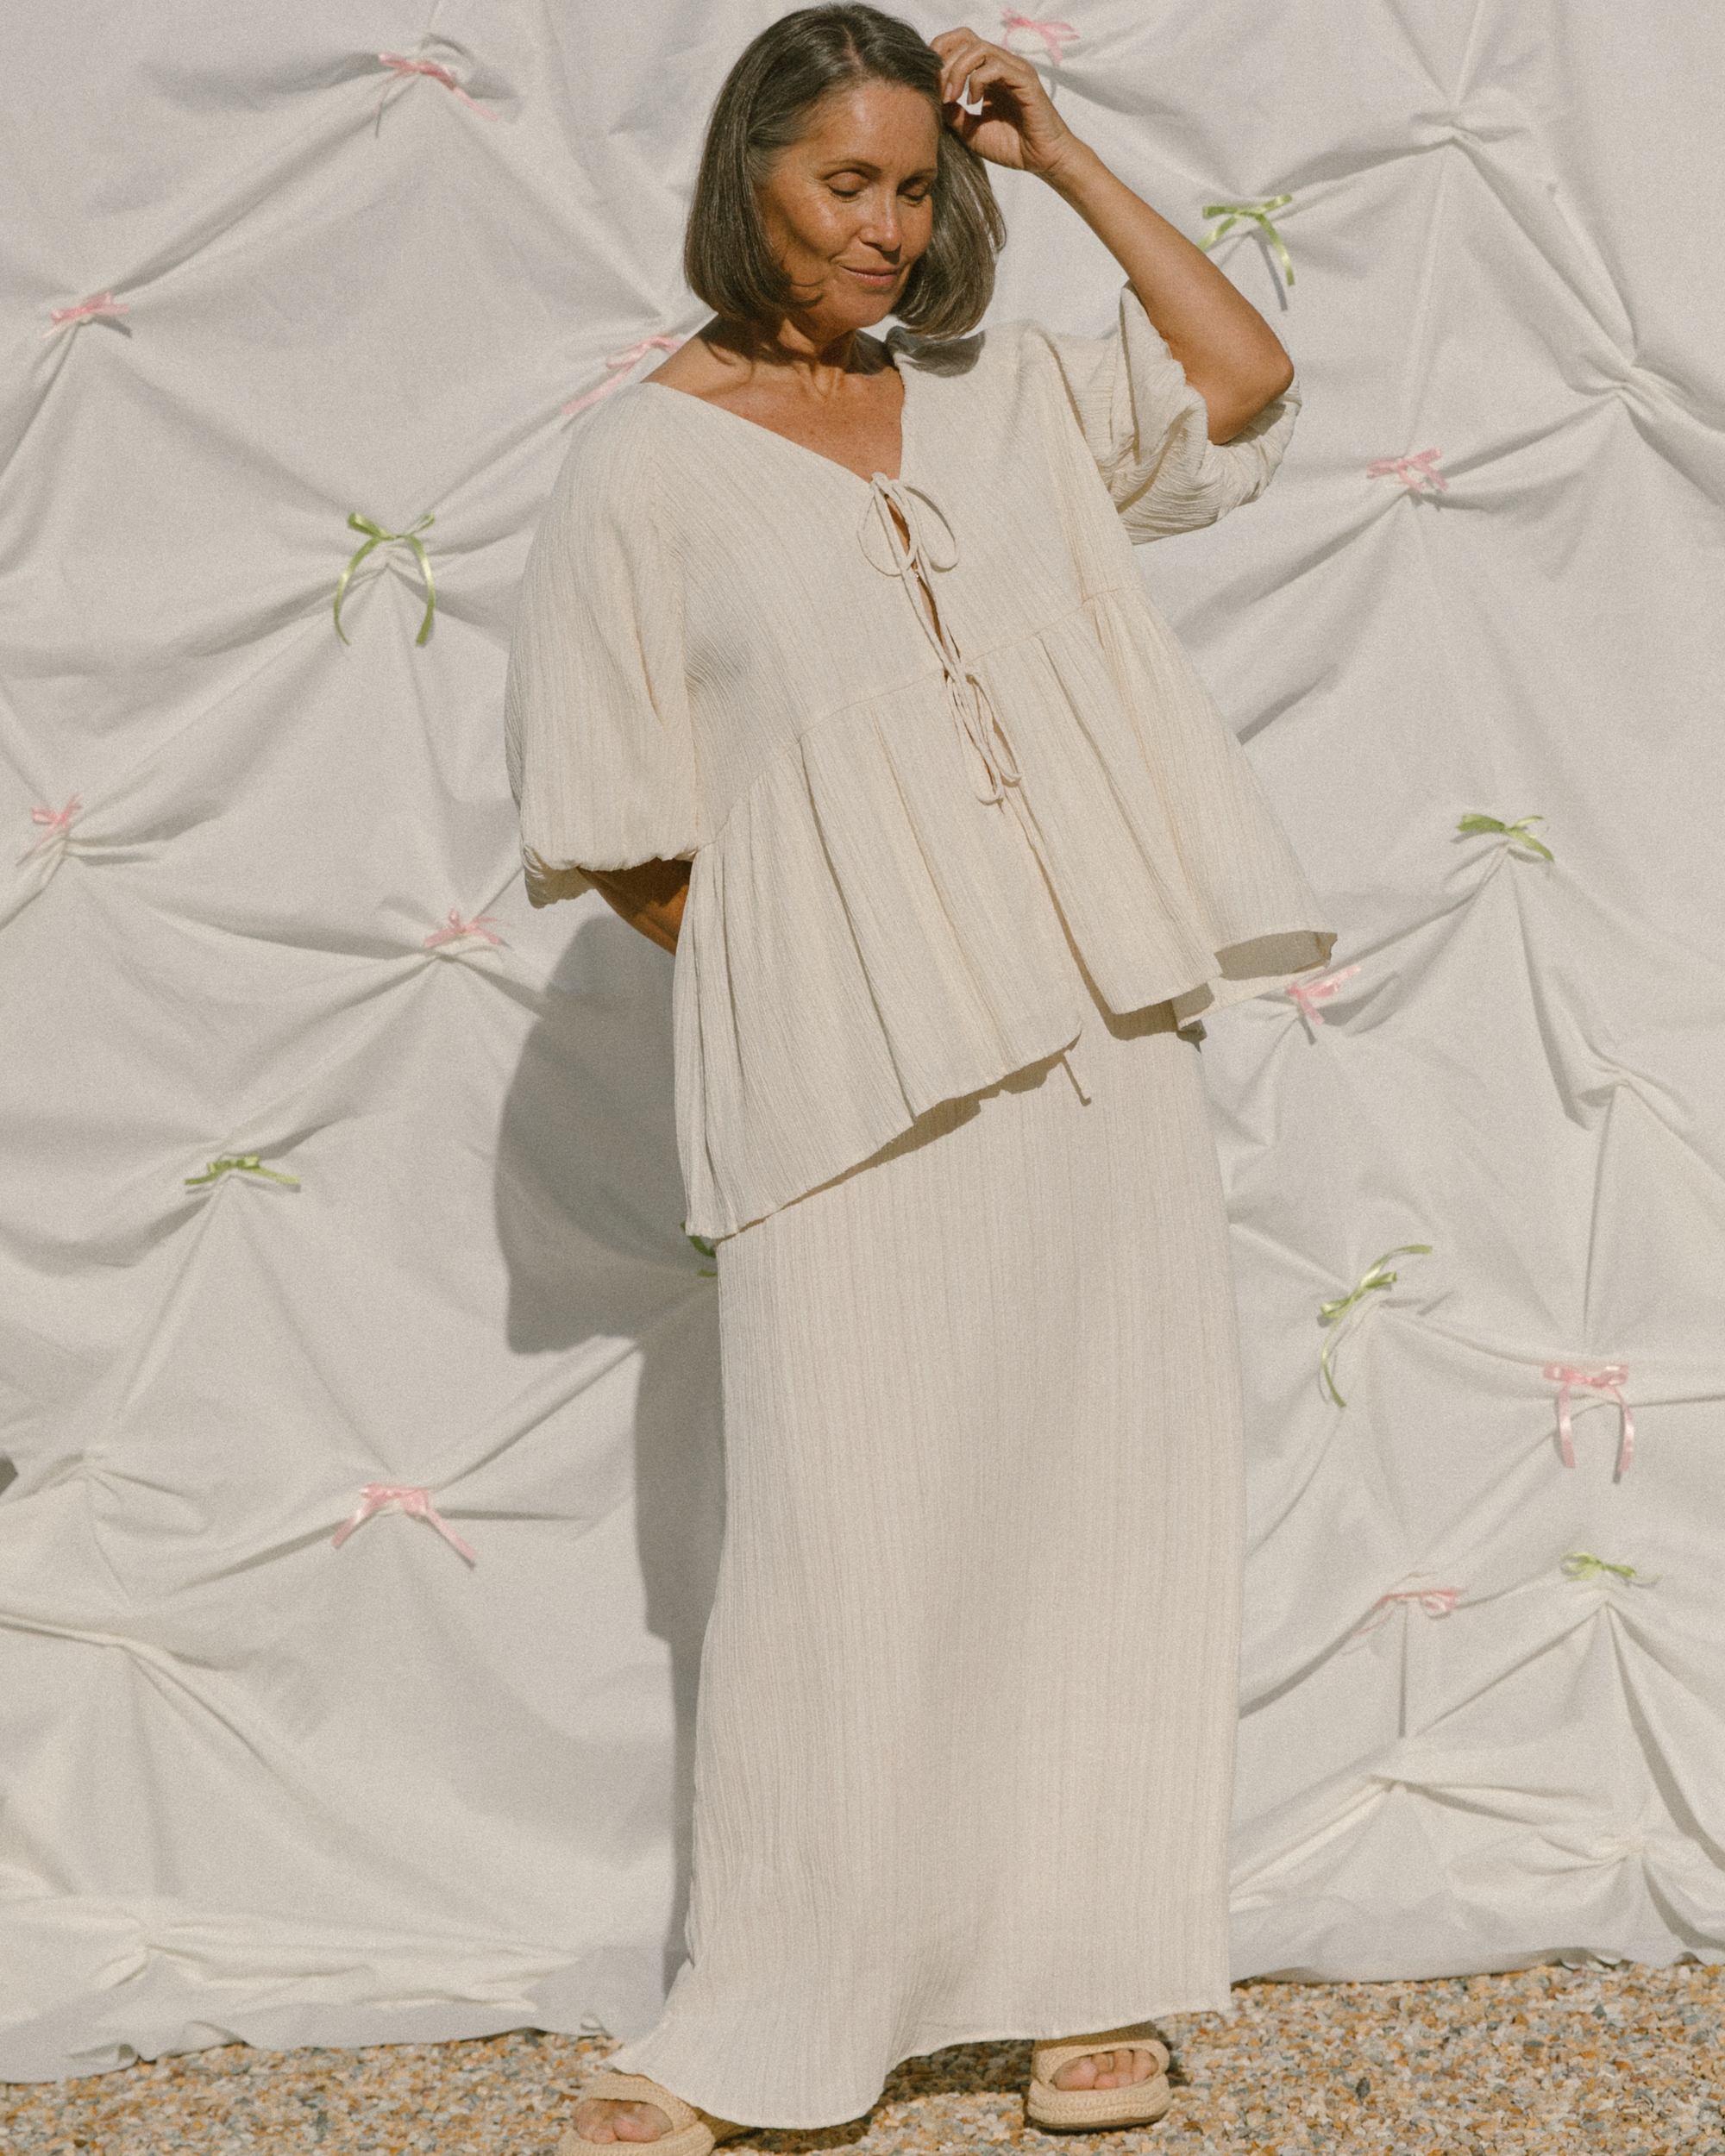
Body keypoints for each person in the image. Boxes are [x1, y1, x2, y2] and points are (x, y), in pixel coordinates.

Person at [505, 9, 1334, 2147]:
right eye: (841, 183)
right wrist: (840, 977)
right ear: (748, 178)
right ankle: (779, 2009)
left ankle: (1089, 1972)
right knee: (840, 1534)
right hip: (851, 1081)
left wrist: (1061, 155)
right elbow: (624, 828)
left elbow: (1242, 378)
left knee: (1104, 1498)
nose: (885, 227)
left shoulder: (1000, 397)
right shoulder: (641, 466)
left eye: (913, 183)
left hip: (1101, 1036)